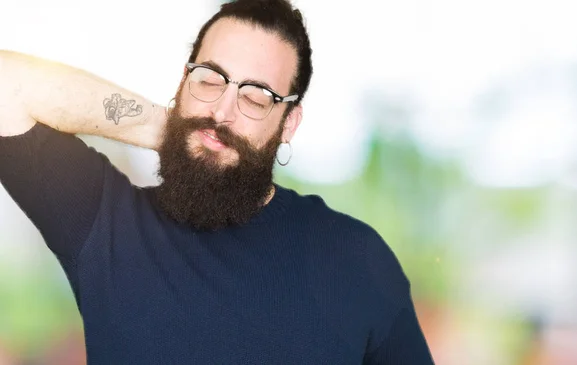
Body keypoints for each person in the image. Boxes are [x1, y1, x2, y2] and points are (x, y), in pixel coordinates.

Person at [0, 0, 435, 363]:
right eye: (209, 79)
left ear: (289, 124)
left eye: (255, 96)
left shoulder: (356, 258)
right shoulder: (104, 222)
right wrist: (174, 129)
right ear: (182, 82)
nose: (222, 110)